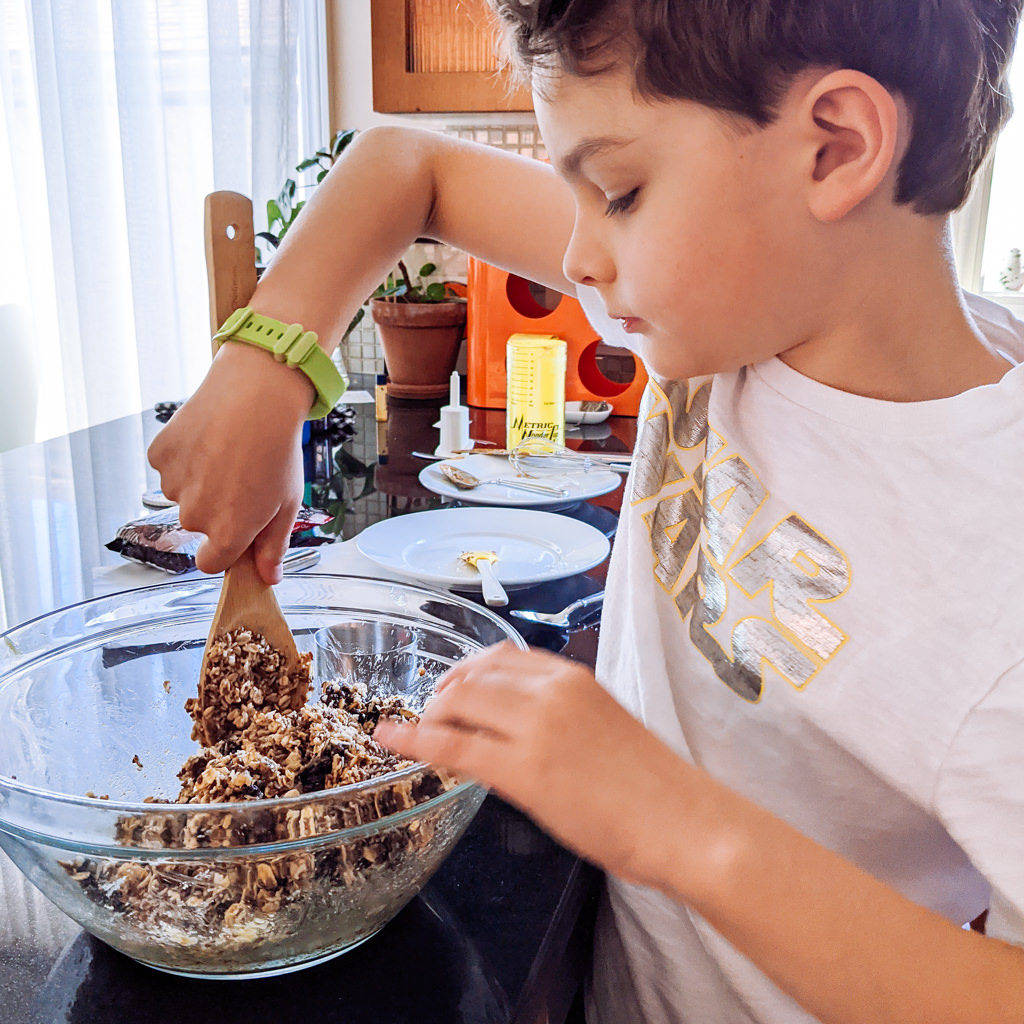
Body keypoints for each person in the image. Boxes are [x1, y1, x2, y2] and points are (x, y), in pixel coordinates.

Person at [149, 1, 1024, 1020]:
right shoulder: (740, 307)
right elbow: (404, 167)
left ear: (833, 148)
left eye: (618, 192)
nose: (578, 262)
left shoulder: (991, 555)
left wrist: (668, 820)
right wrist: (269, 365)